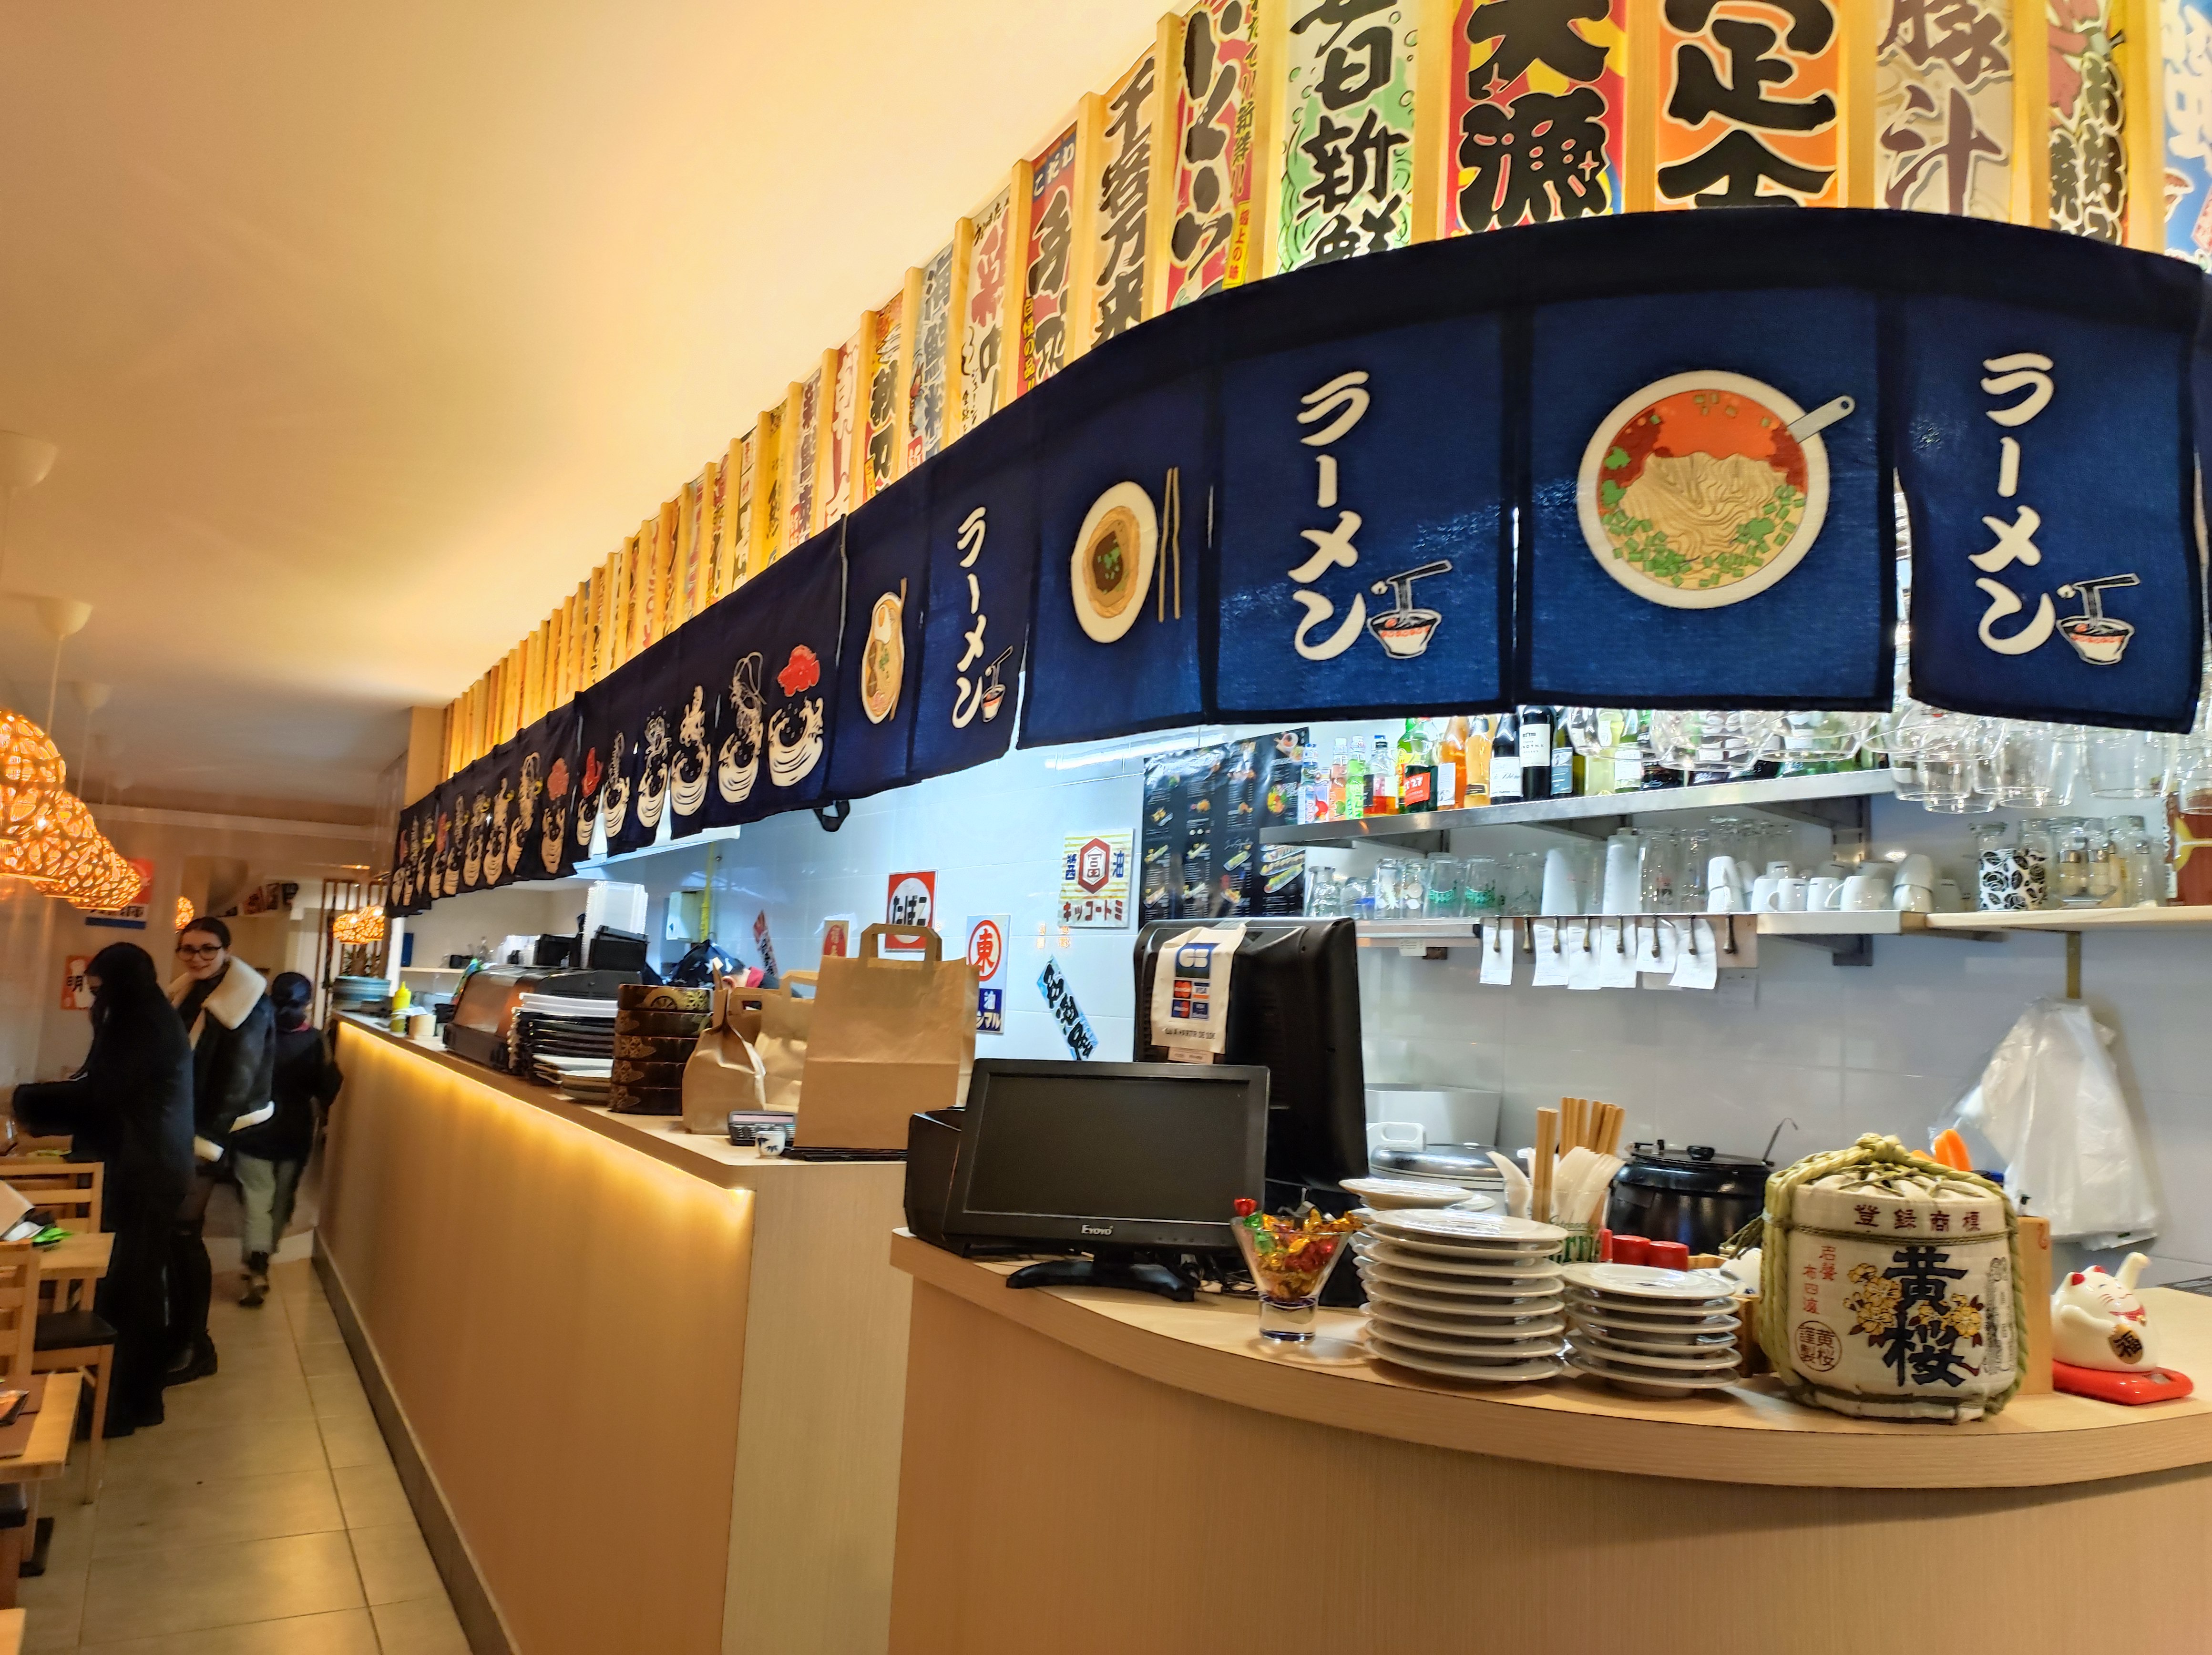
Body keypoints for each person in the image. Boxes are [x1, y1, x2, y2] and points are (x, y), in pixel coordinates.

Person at [9, 943, 194, 1433]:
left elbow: (104, 1095)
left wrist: (22, 1100)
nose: (95, 1000)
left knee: (131, 1288)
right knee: (130, 1285)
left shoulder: (141, 1023)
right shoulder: (146, 1015)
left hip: (144, 1170)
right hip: (148, 1164)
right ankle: (125, 1399)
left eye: (100, 989)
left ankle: (126, 1404)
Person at [166, 918, 272, 1383]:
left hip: (212, 1132)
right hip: (183, 1126)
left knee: (185, 1235)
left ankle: (197, 1345)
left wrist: (206, 1141)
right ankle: (180, 1337)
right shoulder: (188, 991)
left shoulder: (246, 1001)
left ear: (227, 950)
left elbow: (238, 1080)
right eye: (188, 949)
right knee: (176, 1237)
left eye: (208, 949)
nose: (197, 958)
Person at [229, 971, 339, 1308]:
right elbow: (328, 1087)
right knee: (282, 1200)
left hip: (252, 1128)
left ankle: (256, 1265)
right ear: (308, 1003)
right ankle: (263, 1256)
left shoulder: (253, 1033)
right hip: (295, 1130)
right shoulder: (316, 1040)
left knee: (256, 1199)